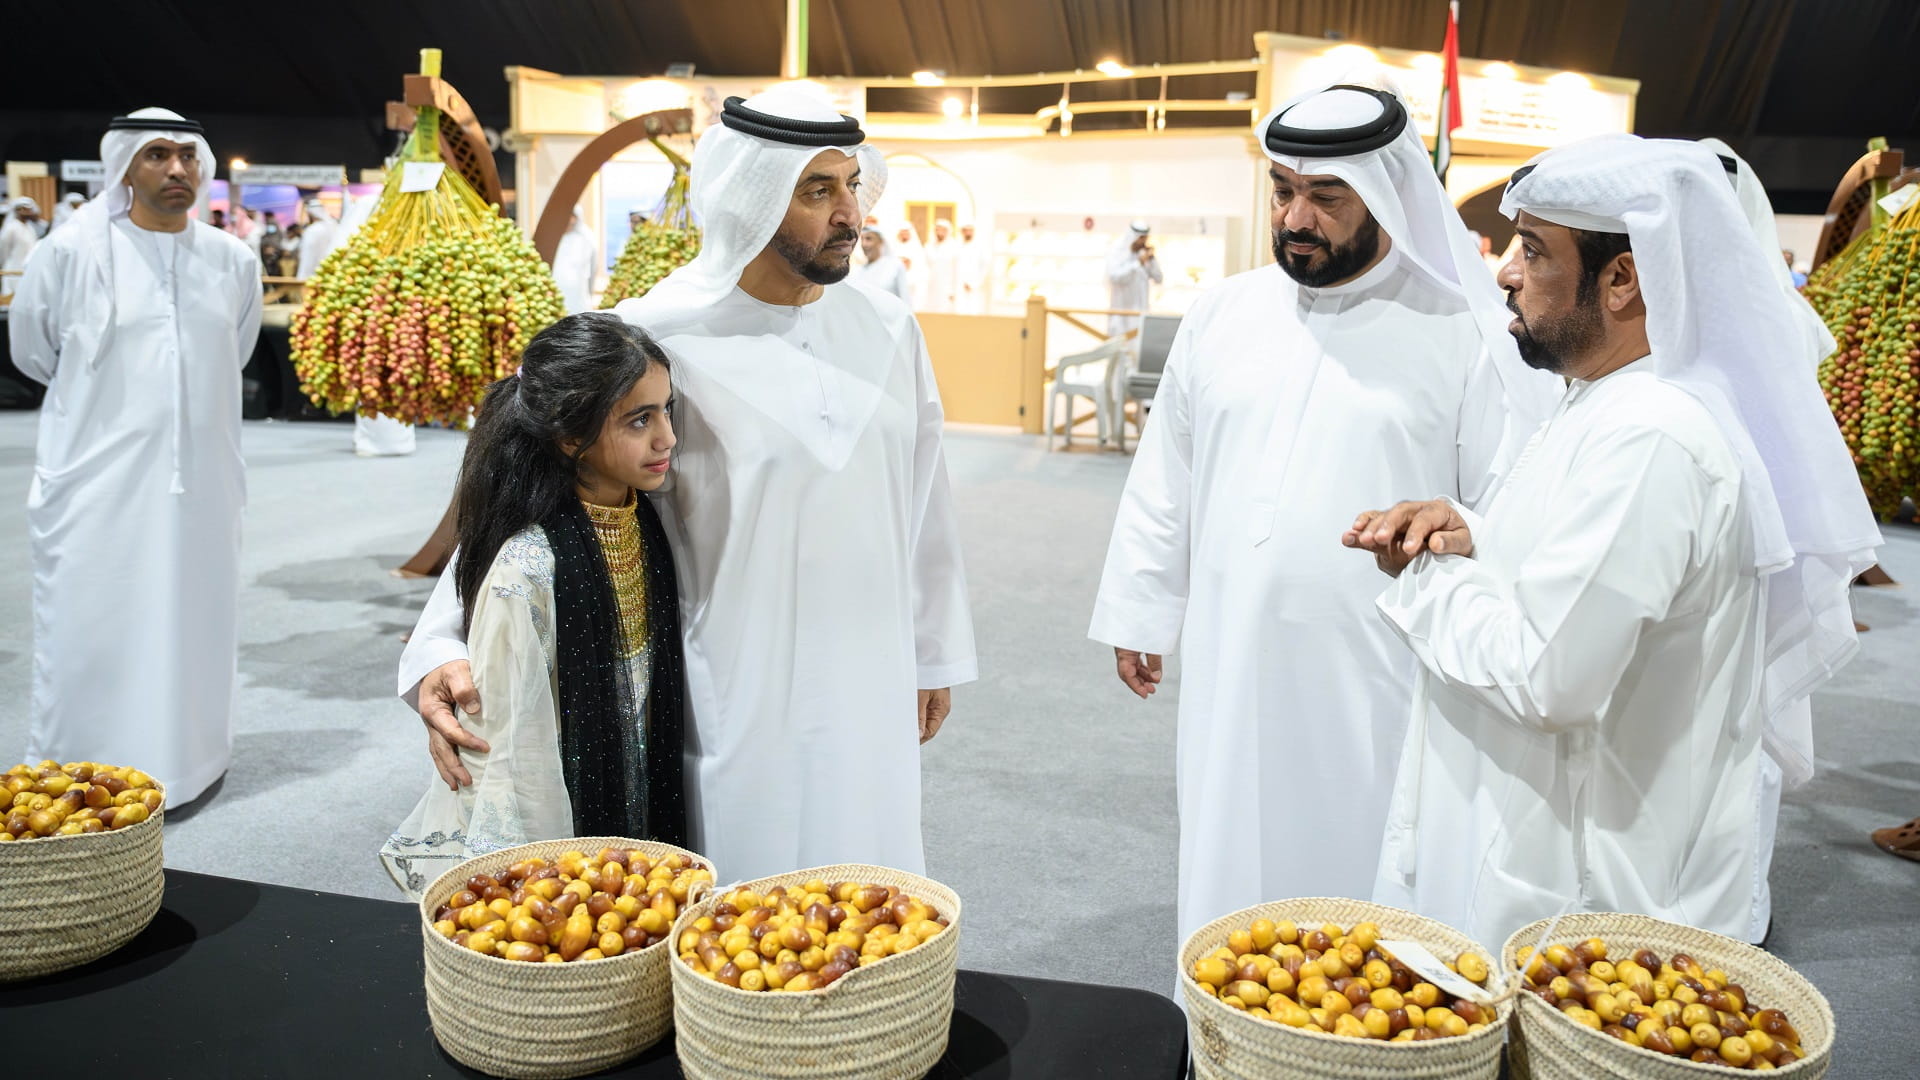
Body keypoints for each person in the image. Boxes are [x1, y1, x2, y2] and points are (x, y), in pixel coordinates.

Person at [400, 87, 977, 883]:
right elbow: (535, 489)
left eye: (852, 184)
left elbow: (925, 502)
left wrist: (931, 652)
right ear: (753, 198)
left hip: (872, 677)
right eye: (819, 191)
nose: (851, 213)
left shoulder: (888, 328)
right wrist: (439, 643)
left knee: (873, 895)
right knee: (739, 910)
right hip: (730, 690)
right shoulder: (660, 332)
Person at [1350, 134, 1880, 948]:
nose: (1505, 272)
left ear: (1624, 278)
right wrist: (1473, 537)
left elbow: (1548, 680)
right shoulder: (1605, 399)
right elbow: (1578, 574)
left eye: (1532, 250)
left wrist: (1429, 577)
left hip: (1583, 902)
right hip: (1544, 855)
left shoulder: (1652, 437)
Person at [1089, 84, 1560, 952]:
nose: (1297, 217)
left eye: (1326, 198)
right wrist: (1143, 610)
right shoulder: (1225, 312)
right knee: (1227, 851)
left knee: (1362, 882)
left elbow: (1510, 497)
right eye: (1282, 192)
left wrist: (1458, 521)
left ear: (1380, 194)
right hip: (1232, 659)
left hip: (1377, 668)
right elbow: (1170, 473)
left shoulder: (1459, 326)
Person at [7, 107, 263, 807]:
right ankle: (82, 770)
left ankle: (189, 765)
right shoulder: (68, 253)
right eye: (156, 155)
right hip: (95, 483)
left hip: (201, 487)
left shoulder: (232, 261)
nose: (175, 169)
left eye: (186, 155)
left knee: (192, 621)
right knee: (91, 621)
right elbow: (33, 350)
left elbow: (230, 353)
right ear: (124, 166)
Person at [382, 313, 686, 896]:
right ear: (571, 436)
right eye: (640, 420)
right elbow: (515, 754)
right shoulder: (527, 565)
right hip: (562, 832)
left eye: (666, 410)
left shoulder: (647, 519)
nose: (667, 438)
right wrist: (543, 884)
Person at [1701, 138, 1847, 941]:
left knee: (1745, 730)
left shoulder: (1781, 318)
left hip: (1756, 546)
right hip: (1698, 540)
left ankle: (1734, 918)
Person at [1104, 219, 1162, 338]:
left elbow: (1158, 278)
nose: (1143, 241)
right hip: (1122, 315)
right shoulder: (1117, 252)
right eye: (1141, 238)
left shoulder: (1144, 255)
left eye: (1145, 238)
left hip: (1141, 314)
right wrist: (1137, 263)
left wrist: (1152, 260)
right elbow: (1114, 277)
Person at [850, 224, 912, 304]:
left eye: (869, 239)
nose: (864, 244)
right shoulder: (858, 270)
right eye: (862, 239)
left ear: (880, 242)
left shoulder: (895, 266)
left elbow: (905, 298)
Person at [552, 206, 597, 313]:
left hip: (578, 295)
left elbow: (593, 268)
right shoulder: (552, 237)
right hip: (555, 295)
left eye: (573, 217)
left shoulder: (586, 238)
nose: (570, 220)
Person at [296, 197, 340, 279]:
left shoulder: (312, 230)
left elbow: (307, 253)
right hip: (330, 271)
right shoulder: (335, 226)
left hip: (312, 271)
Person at [1, 198, 39, 291]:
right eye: (25, 209)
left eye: (29, 209)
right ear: (18, 211)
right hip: (13, 271)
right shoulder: (11, 228)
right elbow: (3, 250)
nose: (29, 212)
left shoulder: (30, 228)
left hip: (27, 271)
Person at [925, 218, 958, 312]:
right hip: (931, 287)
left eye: (943, 230)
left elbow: (956, 271)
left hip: (947, 289)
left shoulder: (954, 247)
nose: (940, 232)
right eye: (937, 229)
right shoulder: (929, 246)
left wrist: (953, 290)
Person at [954, 222, 988, 314]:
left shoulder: (980, 247)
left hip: (973, 288)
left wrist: (974, 284)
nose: (967, 233)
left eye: (970, 230)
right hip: (958, 288)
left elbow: (984, 269)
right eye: (965, 230)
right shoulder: (957, 246)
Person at [894, 223, 929, 308]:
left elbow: (921, 267)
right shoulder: (894, 246)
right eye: (902, 232)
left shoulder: (917, 248)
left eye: (906, 232)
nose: (904, 234)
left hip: (913, 284)